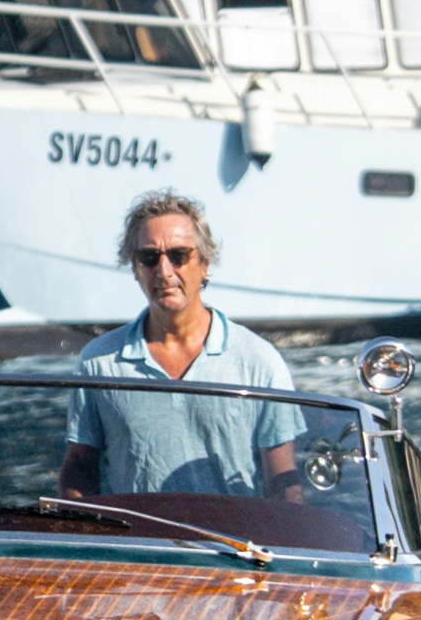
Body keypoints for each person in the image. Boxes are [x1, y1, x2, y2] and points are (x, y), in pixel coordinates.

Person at [60, 197, 305, 498]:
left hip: (232, 544)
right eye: (149, 257)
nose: (164, 271)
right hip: (133, 543)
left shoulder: (259, 361)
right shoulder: (97, 363)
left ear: (204, 264)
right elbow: (79, 469)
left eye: (178, 255)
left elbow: (282, 480)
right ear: (135, 268)